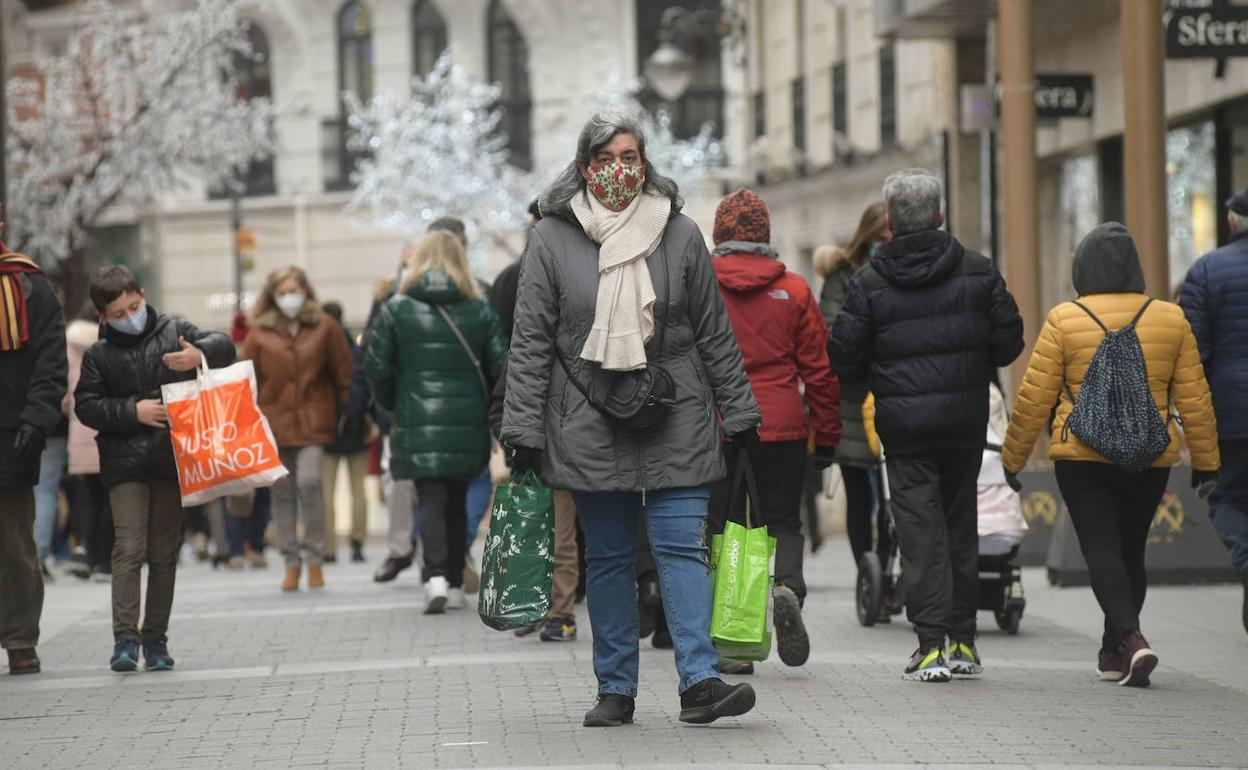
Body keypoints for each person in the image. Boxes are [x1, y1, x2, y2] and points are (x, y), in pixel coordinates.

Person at [502, 112, 761, 727]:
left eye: (631, 156)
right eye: (607, 157)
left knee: (680, 548)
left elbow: (714, 335)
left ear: (646, 162)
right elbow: (531, 342)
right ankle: (616, 688)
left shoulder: (679, 233)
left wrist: (741, 411)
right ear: (585, 166)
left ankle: (700, 681)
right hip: (590, 416)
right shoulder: (552, 238)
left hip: (676, 409)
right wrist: (521, 431)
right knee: (611, 557)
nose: (621, 168)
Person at [828, 168, 1024, 683]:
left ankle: (931, 643)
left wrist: (882, 373)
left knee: (918, 528)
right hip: (964, 421)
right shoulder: (978, 271)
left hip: (904, 425)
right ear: (940, 216)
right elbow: (1008, 343)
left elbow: (843, 358)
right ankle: (963, 639)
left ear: (889, 223)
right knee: (961, 522)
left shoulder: (869, 283)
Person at [1003, 222, 1219, 687]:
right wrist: (1206, 461)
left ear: (1082, 267)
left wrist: (1012, 459)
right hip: (1149, 455)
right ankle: (1113, 651)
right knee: (1129, 547)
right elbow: (1194, 397)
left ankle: (1131, 639)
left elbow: (1034, 397)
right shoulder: (1169, 318)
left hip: (1081, 455)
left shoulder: (1065, 318)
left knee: (1100, 546)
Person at [706, 187, 841, 673]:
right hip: (781, 426)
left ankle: (733, 643)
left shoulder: (701, 283)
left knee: (721, 530)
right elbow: (820, 373)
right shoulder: (796, 290)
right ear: (766, 236)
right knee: (782, 522)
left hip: (716, 426)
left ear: (719, 234)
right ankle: (785, 586)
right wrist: (826, 438)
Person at [75, 265, 234, 672]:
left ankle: (156, 640)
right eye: (119, 312)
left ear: (143, 294)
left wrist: (200, 354)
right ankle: (124, 639)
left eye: (134, 305)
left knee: (164, 552)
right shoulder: (99, 355)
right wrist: (133, 411)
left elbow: (224, 345)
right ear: (103, 317)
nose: (130, 315)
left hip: (171, 459)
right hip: (124, 463)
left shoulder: (174, 329)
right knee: (128, 548)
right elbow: (86, 405)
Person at [366, 230, 507, 614]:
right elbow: (502, 365)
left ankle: (435, 578)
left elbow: (376, 365)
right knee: (458, 497)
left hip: (416, 416)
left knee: (429, 497)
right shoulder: (479, 310)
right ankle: (458, 582)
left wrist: (394, 402)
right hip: (468, 418)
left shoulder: (398, 308)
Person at [488, 202, 582, 642]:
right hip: (546, 442)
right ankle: (550, 609)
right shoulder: (529, 331)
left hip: (566, 439)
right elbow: (506, 388)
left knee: (559, 532)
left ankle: (556, 610)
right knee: (553, 530)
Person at [242, 267, 354, 592]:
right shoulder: (258, 333)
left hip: (313, 420)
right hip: (272, 424)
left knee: (309, 481)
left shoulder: (324, 326)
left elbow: (343, 373)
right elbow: (246, 380)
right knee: (281, 492)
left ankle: (315, 557)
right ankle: (291, 561)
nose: (289, 297)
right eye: (282, 291)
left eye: (294, 290)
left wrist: (351, 414)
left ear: (305, 291)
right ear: (272, 296)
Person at [815, 202, 893, 613]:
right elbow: (833, 337)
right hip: (851, 403)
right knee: (862, 495)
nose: (886, 247)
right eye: (880, 241)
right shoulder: (841, 277)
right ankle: (871, 577)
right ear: (867, 238)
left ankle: (888, 571)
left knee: (892, 497)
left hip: (893, 396)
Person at [1179, 186, 1248, 636]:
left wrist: (1190, 415)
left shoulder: (1206, 270)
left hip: (1232, 413)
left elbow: (1192, 353)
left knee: (1227, 497)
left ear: (1231, 222)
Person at [0, 247, 66, 675]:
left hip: (11, 433)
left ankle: (21, 639)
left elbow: (51, 360)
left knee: (14, 544)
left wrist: (36, 419)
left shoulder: (29, 284)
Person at [63, 308, 113, 581]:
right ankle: (104, 563)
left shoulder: (70, 344)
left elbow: (65, 393)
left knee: (86, 499)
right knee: (109, 499)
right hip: (108, 424)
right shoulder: (108, 343)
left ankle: (86, 552)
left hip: (79, 427)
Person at [320, 301, 370, 565]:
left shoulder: (320, 346)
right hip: (356, 426)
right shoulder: (354, 346)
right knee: (358, 490)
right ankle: (357, 541)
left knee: (326, 491)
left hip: (327, 428)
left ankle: (329, 547)